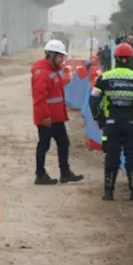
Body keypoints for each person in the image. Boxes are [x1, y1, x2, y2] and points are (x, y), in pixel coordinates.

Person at [89, 42, 133, 201]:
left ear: (115, 58)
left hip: (111, 124)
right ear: (131, 59)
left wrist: (99, 118)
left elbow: (93, 100)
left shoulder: (104, 78)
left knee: (112, 156)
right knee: (132, 157)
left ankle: (108, 193)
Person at [31, 39, 85, 185]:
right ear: (51, 55)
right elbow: (39, 97)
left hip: (56, 117)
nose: (62, 60)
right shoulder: (43, 73)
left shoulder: (53, 71)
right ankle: (40, 174)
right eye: (60, 56)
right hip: (47, 118)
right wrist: (45, 116)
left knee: (63, 143)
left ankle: (65, 172)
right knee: (44, 144)